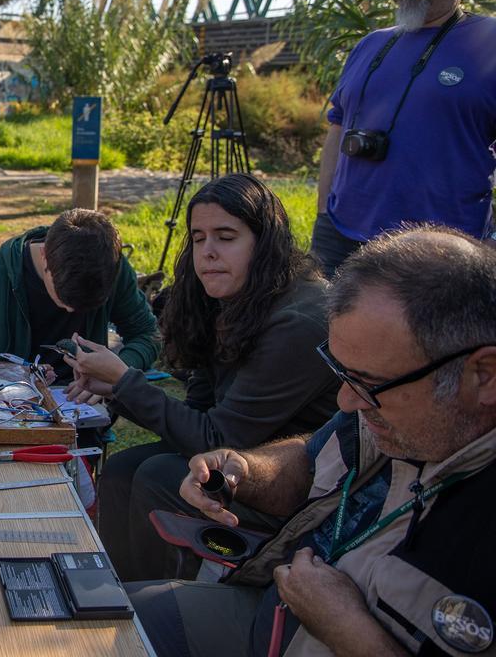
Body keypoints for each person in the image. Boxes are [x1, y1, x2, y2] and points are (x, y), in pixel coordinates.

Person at [128, 226, 496, 657]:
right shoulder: (392, 415)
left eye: (369, 383)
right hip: (267, 614)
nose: (346, 400)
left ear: (483, 375)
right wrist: (246, 470)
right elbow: (311, 460)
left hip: (309, 629)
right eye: (340, 372)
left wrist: (345, 628)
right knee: (105, 619)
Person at [65, 175, 339, 582]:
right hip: (243, 451)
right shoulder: (232, 296)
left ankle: (161, 601)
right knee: (122, 470)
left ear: (265, 243)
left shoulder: (298, 322)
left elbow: (216, 438)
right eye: (198, 238)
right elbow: (196, 412)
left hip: (300, 479)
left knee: (158, 477)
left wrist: (126, 383)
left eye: (226, 237)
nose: (208, 252)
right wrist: (119, 392)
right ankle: (119, 590)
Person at [311, 0, 496, 275]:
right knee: (330, 330)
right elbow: (337, 128)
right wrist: (325, 214)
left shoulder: (489, 42)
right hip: (343, 236)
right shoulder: (370, 45)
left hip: (442, 248)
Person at [0, 208, 159, 385]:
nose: (71, 311)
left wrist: (116, 374)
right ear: (44, 256)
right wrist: (0, 369)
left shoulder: (114, 268)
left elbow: (148, 334)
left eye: (88, 304)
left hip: (86, 411)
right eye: (63, 297)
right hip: (8, 405)